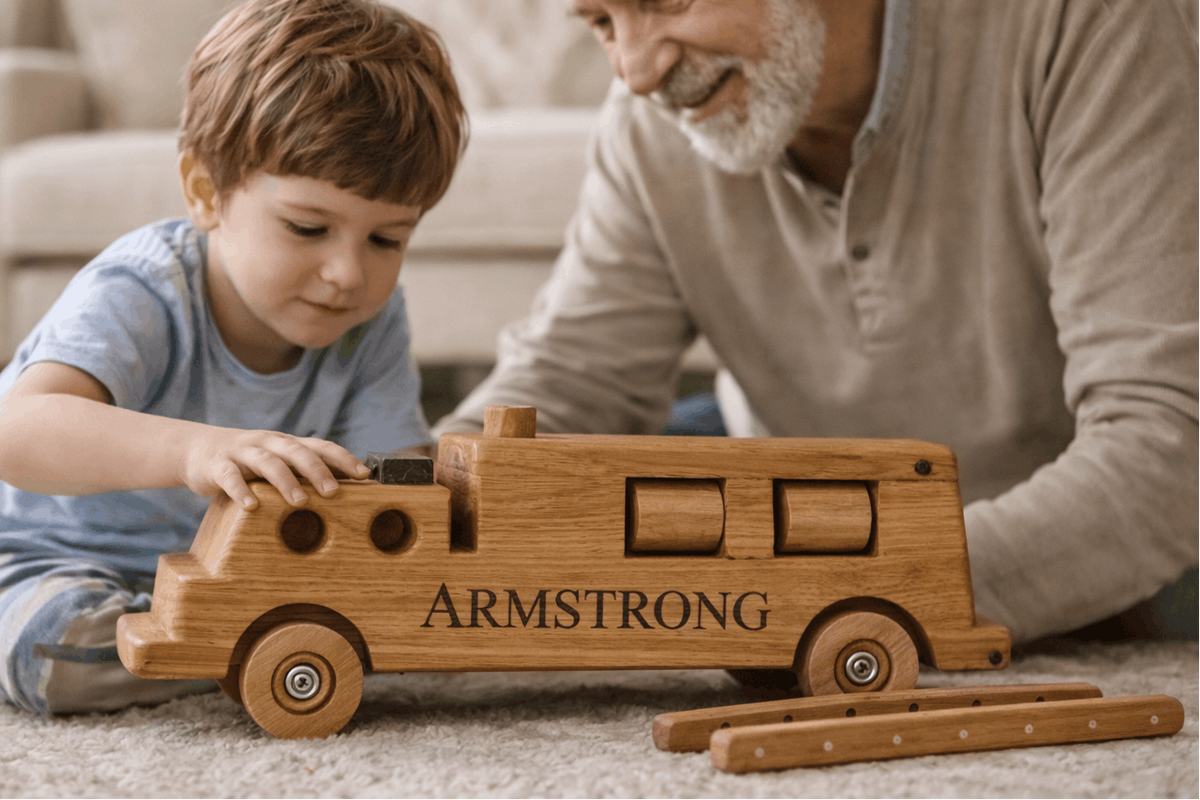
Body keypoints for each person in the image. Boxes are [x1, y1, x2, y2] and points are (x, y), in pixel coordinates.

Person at [434, 0, 1200, 644]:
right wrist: (393, 496)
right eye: (602, 20)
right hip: (794, 503)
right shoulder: (647, 130)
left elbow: (1167, 451)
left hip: (1085, 564)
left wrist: (829, 598)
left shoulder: (1092, 23)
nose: (635, 72)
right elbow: (567, 378)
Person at [0, 0, 466, 716]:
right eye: (308, 227)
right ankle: (228, 645)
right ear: (204, 192)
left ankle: (219, 637)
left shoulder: (369, 319)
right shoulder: (145, 288)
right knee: (59, 651)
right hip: (48, 558)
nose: (348, 273)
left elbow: (392, 468)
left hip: (232, 571)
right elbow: (17, 429)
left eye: (387, 240)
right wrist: (197, 451)